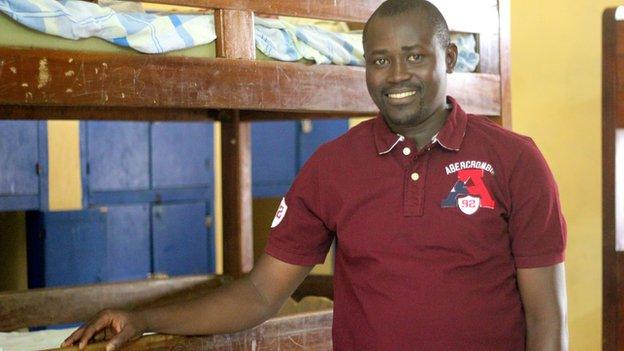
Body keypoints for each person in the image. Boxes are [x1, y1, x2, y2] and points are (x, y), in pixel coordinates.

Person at [62, 0, 568, 350]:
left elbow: (546, 316)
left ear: (448, 57)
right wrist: (143, 318)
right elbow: (261, 293)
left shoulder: (514, 161)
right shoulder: (332, 167)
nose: (396, 76)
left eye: (415, 56)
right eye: (380, 60)